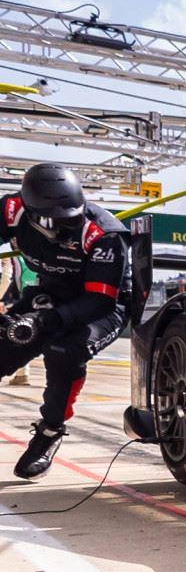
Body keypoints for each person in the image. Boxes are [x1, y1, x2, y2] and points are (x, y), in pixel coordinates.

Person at [0, 162, 132, 479]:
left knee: (65, 351)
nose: (70, 225)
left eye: (74, 217)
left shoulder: (104, 234)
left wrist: (45, 321)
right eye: (61, 221)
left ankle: (50, 431)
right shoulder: (11, 210)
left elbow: (99, 301)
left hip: (103, 304)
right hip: (51, 291)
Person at [1, 252, 37, 386]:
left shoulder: (9, 255)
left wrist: (0, 298)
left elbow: (7, 276)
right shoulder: (32, 256)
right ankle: (22, 373)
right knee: (21, 334)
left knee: (12, 334)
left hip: (15, 300)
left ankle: (22, 373)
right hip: (32, 298)